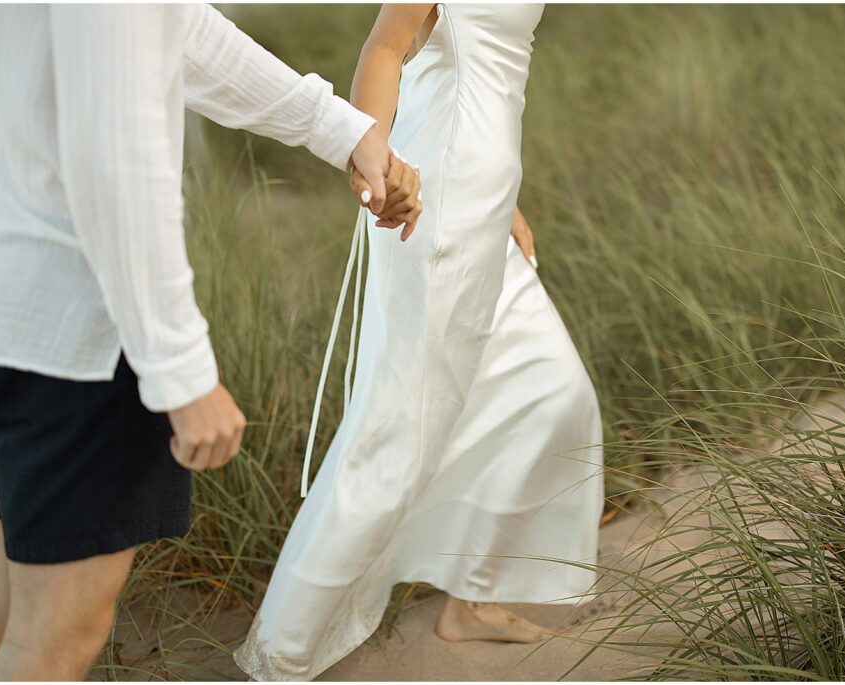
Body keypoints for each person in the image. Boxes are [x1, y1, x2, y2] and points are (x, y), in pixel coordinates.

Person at [0, 4, 419, 681]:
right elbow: (116, 148)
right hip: (84, 321)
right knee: (57, 635)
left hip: (2, 295)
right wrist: (180, 371)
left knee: (1, 594)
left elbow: (178, 29)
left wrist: (344, 131)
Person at [235, 4, 604, 680]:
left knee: (550, 389)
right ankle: (279, 658)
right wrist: (374, 170)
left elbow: (481, 76)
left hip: (485, 209)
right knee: (396, 434)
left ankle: (472, 597)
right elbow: (385, 48)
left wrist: (508, 200)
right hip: (438, 219)